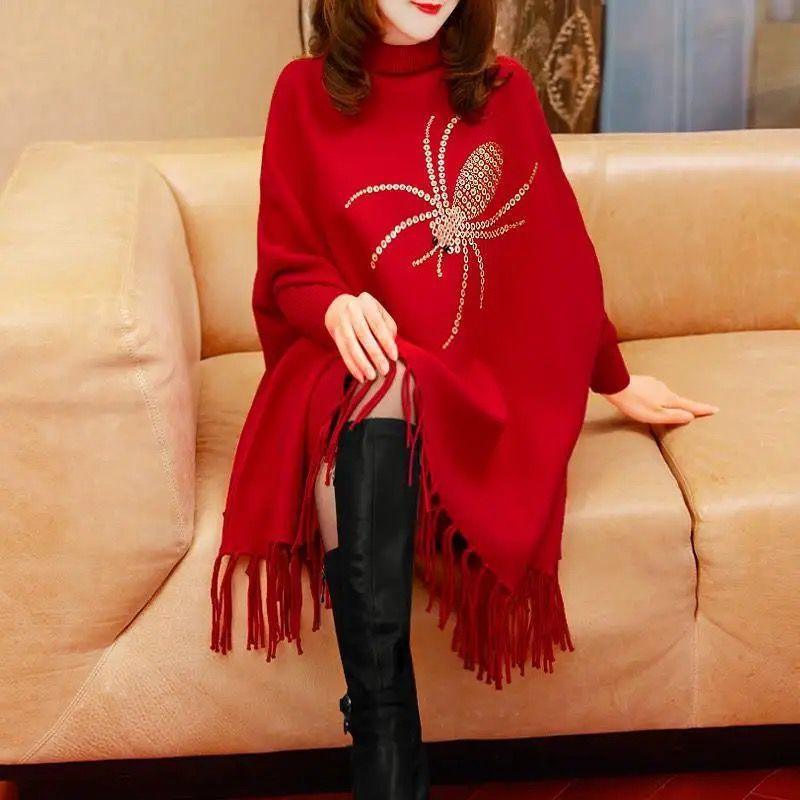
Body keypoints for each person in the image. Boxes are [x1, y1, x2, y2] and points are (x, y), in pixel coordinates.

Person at [210, 1, 718, 797]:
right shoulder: (302, 92)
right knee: (380, 379)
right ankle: (385, 741)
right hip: (349, 362)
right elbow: (286, 264)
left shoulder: (502, 90)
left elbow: (558, 265)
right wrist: (334, 305)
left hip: (473, 378)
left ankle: (383, 756)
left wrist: (614, 379)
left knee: (395, 383)